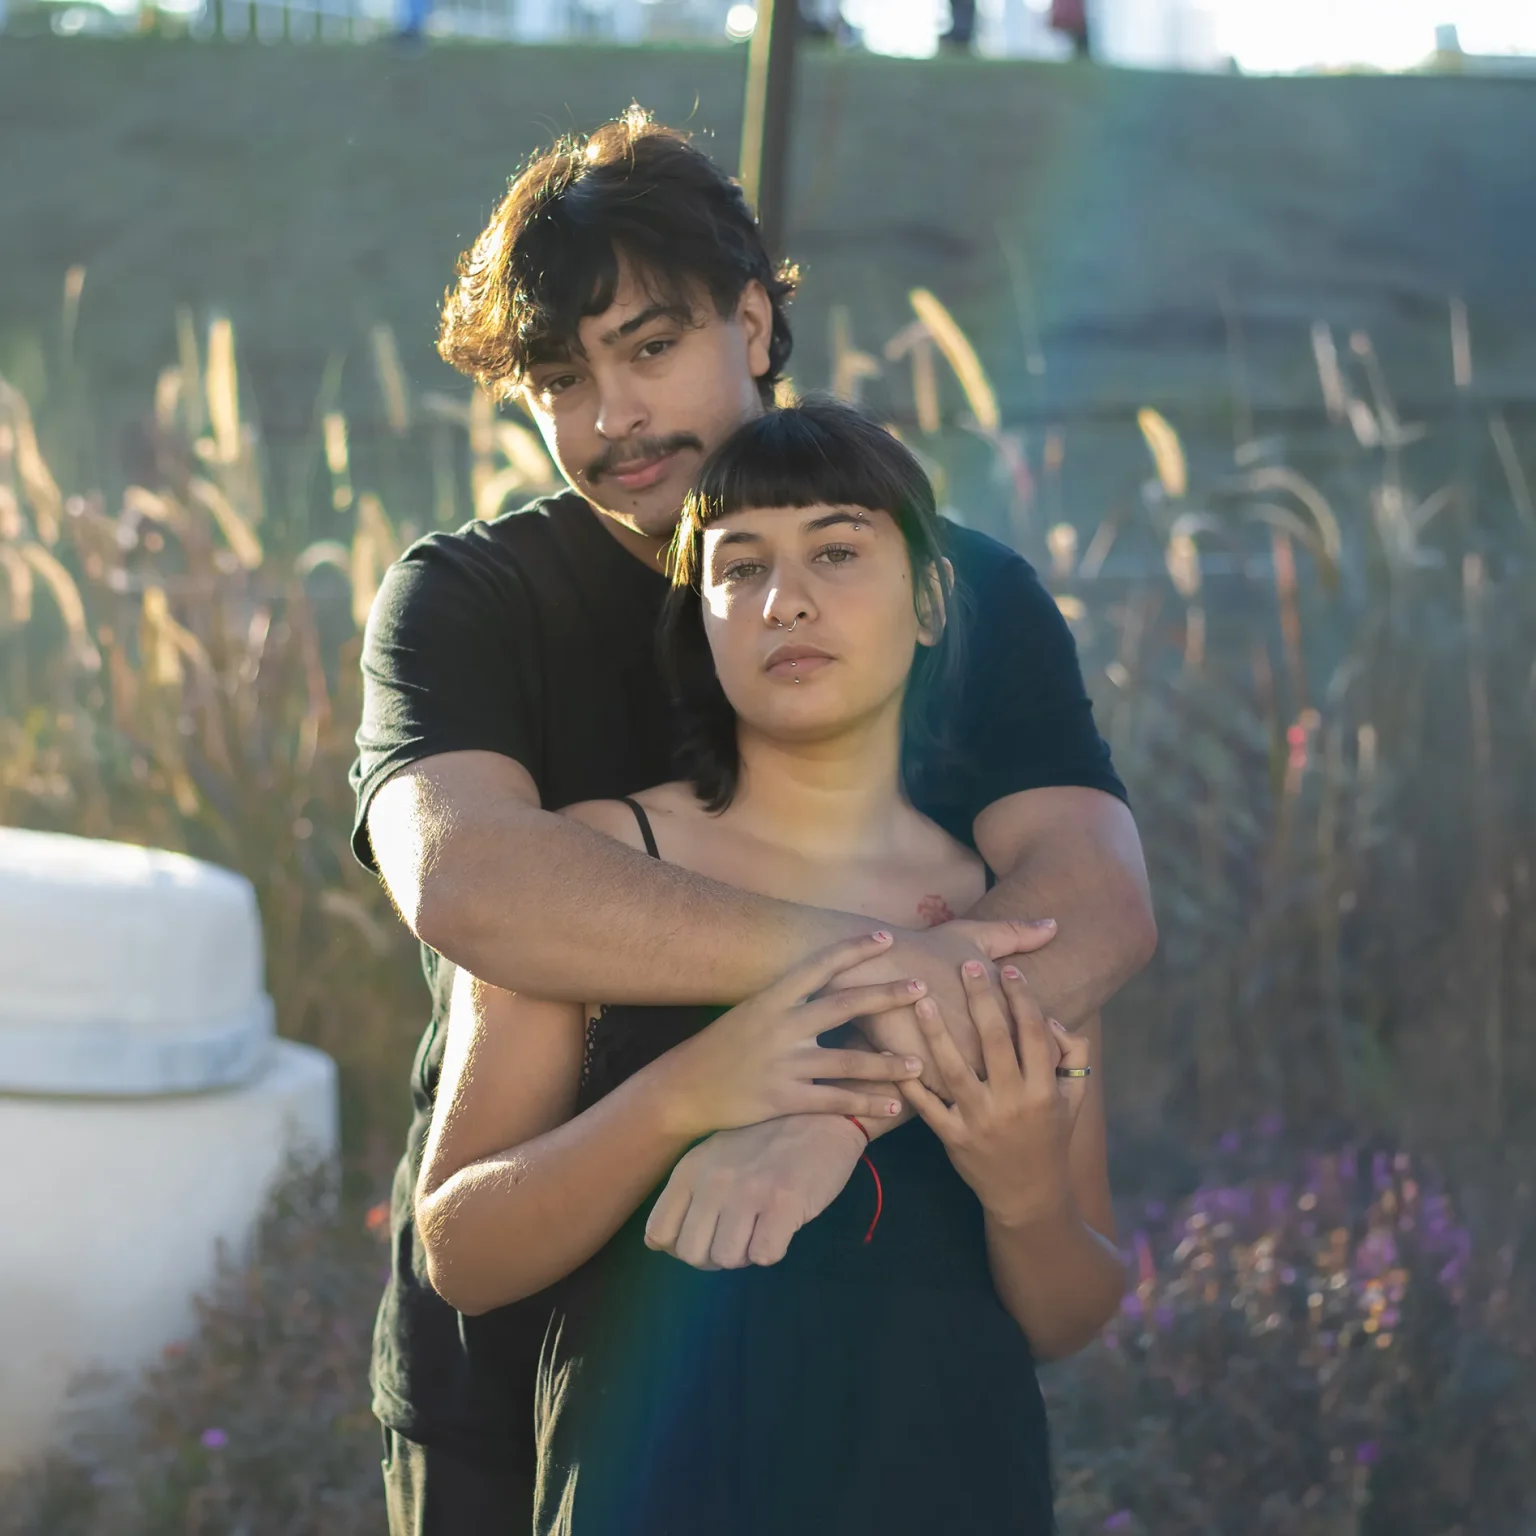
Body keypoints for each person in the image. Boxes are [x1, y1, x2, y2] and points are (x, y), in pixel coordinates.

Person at [351, 110, 1156, 1534]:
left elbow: (1092, 908)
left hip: (898, 1385)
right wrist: (870, 979)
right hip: (528, 1383)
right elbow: (475, 882)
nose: (612, 419)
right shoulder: (467, 603)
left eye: (650, 347)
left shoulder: (957, 589)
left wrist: (834, 1117)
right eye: (561, 378)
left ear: (755, 317)